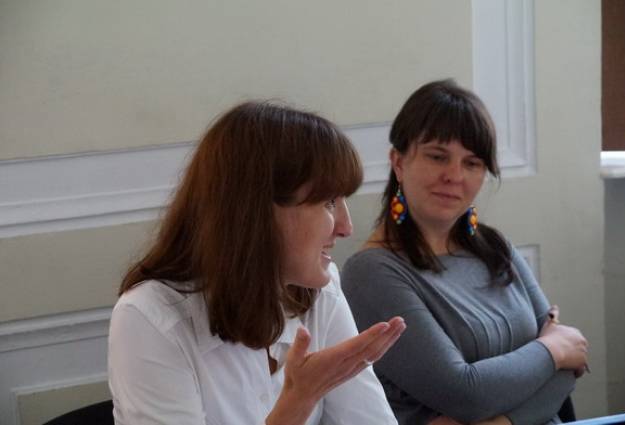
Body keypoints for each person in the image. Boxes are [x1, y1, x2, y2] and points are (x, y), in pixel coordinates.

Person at [108, 101, 406, 425]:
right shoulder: (148, 317)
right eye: (329, 202)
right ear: (257, 212)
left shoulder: (321, 289)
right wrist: (298, 401)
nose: (346, 227)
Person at [341, 80, 589, 425]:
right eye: (437, 156)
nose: (454, 175)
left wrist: (500, 422)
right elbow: (466, 394)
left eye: (472, 163)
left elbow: (570, 366)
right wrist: (552, 349)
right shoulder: (370, 272)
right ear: (398, 162)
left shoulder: (496, 247)